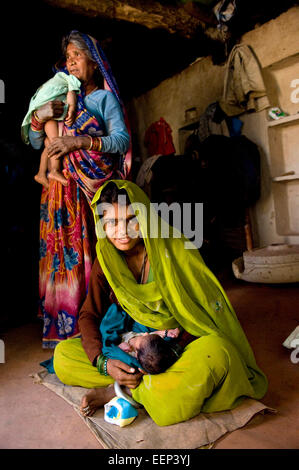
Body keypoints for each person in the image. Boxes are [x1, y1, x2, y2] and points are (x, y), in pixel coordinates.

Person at [53, 180, 268, 426]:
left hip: (178, 343)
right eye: (111, 222)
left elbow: (206, 313)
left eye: (131, 219)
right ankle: (143, 385)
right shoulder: (107, 259)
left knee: (219, 353)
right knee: (63, 355)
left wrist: (165, 353)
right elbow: (89, 314)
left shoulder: (173, 247)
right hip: (133, 347)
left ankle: (125, 391)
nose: (122, 231)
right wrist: (104, 364)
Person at [27, 31, 131, 348]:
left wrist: (80, 141)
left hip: (90, 192)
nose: (71, 62)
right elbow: (36, 143)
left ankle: (93, 328)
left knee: (92, 257)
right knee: (61, 261)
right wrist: (39, 119)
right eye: (68, 57)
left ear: (95, 63)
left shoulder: (104, 99)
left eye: (78, 56)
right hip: (58, 194)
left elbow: (121, 141)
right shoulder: (58, 99)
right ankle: (64, 330)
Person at [22, 72, 81, 188]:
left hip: (48, 115)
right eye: (69, 58)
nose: (72, 62)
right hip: (50, 116)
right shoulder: (69, 79)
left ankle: (41, 173)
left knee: (49, 143)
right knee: (56, 142)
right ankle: (54, 170)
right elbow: (72, 92)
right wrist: (72, 107)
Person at [99, 302, 181, 374]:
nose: (145, 333)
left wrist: (119, 346)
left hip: (121, 337)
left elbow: (111, 351)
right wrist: (167, 333)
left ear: (137, 354)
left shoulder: (131, 354)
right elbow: (153, 335)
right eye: (147, 335)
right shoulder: (147, 344)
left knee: (106, 329)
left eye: (145, 335)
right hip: (129, 328)